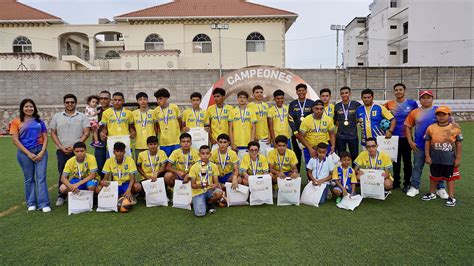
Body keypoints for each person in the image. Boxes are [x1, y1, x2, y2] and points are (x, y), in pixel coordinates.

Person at [404, 90, 447, 198]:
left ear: (432, 99)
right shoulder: (415, 112)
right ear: (420, 100)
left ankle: (440, 188)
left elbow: (449, 123)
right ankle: (414, 187)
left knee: (438, 167)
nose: (426, 99)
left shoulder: (439, 110)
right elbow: (408, 126)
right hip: (420, 146)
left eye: (428, 97)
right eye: (423, 97)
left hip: (437, 146)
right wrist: (410, 141)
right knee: (417, 167)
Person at [49, 94, 90, 206]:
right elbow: (53, 133)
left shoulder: (82, 116)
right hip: (62, 150)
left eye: (72, 102)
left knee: (82, 171)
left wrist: (75, 147)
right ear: (64, 103)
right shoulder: (57, 116)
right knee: (63, 172)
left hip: (78, 151)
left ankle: (85, 194)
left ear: (75, 103)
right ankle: (62, 196)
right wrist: (61, 147)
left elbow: (86, 132)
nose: (70, 104)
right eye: (67, 102)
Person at [11, 99, 51, 212]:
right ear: (22, 108)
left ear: (34, 108)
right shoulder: (16, 122)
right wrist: (28, 153)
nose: (29, 109)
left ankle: (44, 204)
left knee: (41, 177)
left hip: (40, 151)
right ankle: (31, 202)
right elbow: (15, 140)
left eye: (31, 106)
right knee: (29, 179)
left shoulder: (40, 121)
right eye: (26, 106)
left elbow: (45, 137)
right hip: (24, 153)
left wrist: (42, 151)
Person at [422, 106, 462, 207]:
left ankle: (451, 197)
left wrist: (458, 158)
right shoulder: (431, 128)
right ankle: (432, 193)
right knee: (433, 177)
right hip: (435, 158)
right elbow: (427, 142)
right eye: (439, 115)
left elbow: (458, 143)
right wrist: (427, 156)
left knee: (450, 178)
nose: (441, 117)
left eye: (444, 114)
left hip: (449, 159)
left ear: (449, 115)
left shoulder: (454, 128)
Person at [384, 83, 419, 192]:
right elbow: (382, 116)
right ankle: (396, 182)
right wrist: (387, 130)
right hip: (393, 138)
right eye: (396, 90)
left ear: (404, 90)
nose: (398, 92)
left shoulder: (412, 103)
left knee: (407, 162)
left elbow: (417, 116)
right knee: (395, 161)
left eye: (400, 90)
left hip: (407, 137)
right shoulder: (389, 104)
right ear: (394, 92)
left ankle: (407, 183)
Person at [188, 145, 223, 216]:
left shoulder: (214, 166)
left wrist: (214, 185)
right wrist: (202, 185)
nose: (205, 155)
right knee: (200, 213)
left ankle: (209, 203)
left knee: (219, 193)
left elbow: (216, 182)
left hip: (209, 190)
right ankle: (198, 201)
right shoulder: (194, 167)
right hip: (198, 191)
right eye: (203, 153)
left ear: (210, 154)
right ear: (199, 154)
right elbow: (193, 185)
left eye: (207, 153)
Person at [299, 100, 336, 167]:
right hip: (310, 147)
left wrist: (333, 146)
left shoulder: (328, 119)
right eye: (317, 108)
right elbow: (301, 136)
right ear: (313, 109)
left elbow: (332, 133)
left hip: (324, 148)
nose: (319, 111)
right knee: (310, 168)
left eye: (321, 109)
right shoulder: (306, 120)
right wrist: (310, 149)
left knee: (325, 167)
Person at [100, 92, 135, 157]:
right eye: (115, 100)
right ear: (112, 101)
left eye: (119, 100)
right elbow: (104, 127)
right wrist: (103, 133)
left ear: (123, 101)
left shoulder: (129, 113)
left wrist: (133, 132)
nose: (117, 102)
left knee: (127, 163)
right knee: (111, 164)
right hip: (111, 142)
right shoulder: (106, 113)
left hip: (125, 141)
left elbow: (131, 126)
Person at [289, 83, 315, 171]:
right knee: (297, 155)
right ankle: (297, 175)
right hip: (296, 135)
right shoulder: (292, 104)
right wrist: (295, 132)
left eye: (303, 90)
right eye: (299, 91)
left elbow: (313, 118)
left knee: (310, 155)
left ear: (306, 91)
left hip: (308, 135)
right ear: (296, 92)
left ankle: (311, 176)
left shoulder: (311, 103)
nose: (301, 92)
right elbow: (290, 119)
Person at [334, 86, 361, 162]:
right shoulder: (337, 106)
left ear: (350, 94)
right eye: (342, 93)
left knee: (354, 156)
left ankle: (354, 173)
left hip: (353, 136)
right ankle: (342, 172)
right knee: (341, 156)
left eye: (346, 93)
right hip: (340, 136)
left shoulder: (356, 104)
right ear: (340, 94)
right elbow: (335, 120)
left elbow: (361, 114)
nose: (344, 95)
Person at [154, 88, 182, 157]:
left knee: (177, 160)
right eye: (157, 99)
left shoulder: (174, 107)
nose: (158, 101)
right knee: (165, 162)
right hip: (164, 142)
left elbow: (179, 121)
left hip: (176, 140)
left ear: (166, 98)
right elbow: (156, 126)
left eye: (160, 98)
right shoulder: (156, 111)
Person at [229, 91, 257, 158]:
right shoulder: (232, 111)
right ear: (237, 99)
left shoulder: (251, 111)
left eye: (244, 98)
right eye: (240, 97)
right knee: (236, 165)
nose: (242, 99)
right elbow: (230, 128)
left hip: (247, 143)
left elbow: (253, 128)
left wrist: (251, 142)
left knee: (247, 164)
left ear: (247, 100)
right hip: (236, 143)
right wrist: (232, 143)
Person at [132, 92, 157, 161]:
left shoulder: (153, 112)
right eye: (140, 99)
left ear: (147, 100)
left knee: (153, 163)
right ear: (137, 101)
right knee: (139, 164)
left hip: (151, 143)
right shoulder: (133, 113)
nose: (143, 101)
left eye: (144, 99)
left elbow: (156, 127)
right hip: (138, 144)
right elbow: (131, 126)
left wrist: (155, 138)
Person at [248, 85, 271, 155]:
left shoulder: (266, 105)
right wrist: (254, 136)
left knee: (266, 160)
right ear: (253, 94)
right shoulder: (249, 106)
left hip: (266, 138)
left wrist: (270, 136)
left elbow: (268, 121)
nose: (259, 94)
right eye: (257, 92)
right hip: (256, 139)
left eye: (261, 92)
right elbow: (249, 123)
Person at [94, 90, 112, 178]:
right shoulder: (94, 111)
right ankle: (103, 188)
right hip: (100, 144)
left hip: (112, 141)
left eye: (106, 98)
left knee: (114, 166)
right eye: (101, 98)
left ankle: (116, 186)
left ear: (110, 99)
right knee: (100, 166)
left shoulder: (114, 110)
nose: (103, 100)